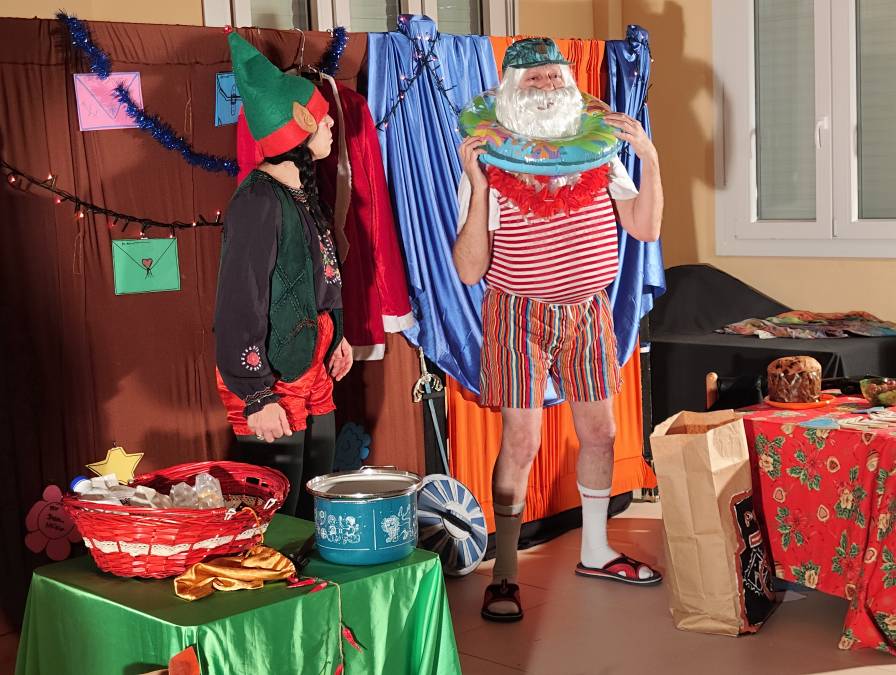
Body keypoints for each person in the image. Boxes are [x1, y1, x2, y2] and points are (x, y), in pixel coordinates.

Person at [453, 38, 664, 622]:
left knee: (601, 433)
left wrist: (649, 157)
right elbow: (468, 270)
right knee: (521, 442)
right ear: (509, 90)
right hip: (517, 312)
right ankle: (505, 571)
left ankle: (595, 550)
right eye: (534, 78)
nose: (547, 86)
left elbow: (645, 228)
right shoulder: (488, 161)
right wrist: (478, 187)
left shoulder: (600, 153)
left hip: (587, 309)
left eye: (554, 76)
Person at [214, 31, 353, 520]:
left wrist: (337, 332)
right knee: (278, 518)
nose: (331, 123)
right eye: (321, 118)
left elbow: (319, 273)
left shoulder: (302, 194)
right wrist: (257, 395)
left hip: (313, 367)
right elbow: (239, 303)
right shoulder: (257, 202)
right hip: (273, 374)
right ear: (297, 130)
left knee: (317, 505)